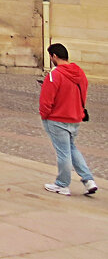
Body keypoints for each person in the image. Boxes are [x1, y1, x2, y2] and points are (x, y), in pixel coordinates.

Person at [40, 43, 97, 196]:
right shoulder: (80, 73)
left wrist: (44, 115)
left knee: (63, 152)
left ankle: (62, 184)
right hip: (75, 118)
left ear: (54, 56)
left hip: (57, 118)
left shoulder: (54, 74)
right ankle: (88, 179)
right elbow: (83, 95)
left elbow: (46, 100)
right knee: (71, 149)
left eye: (50, 56)